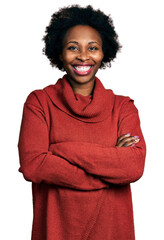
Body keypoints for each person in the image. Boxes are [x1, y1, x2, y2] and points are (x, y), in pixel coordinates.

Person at [18, 5, 146, 240]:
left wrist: (60, 149)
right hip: (56, 231)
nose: (83, 56)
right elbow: (33, 164)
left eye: (93, 48)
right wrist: (108, 167)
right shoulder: (39, 102)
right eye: (73, 47)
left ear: (104, 53)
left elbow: (133, 166)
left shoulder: (123, 107)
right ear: (59, 52)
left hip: (111, 230)